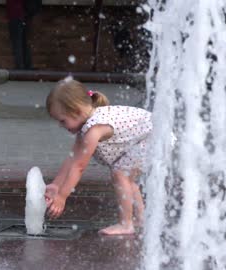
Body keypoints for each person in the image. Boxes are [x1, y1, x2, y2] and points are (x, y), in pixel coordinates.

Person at [45, 79, 151, 235]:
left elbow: (79, 166)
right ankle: (141, 218)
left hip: (153, 137)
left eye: (63, 121)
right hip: (147, 137)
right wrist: (56, 185)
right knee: (126, 179)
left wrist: (62, 196)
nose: (62, 126)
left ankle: (126, 224)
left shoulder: (95, 128)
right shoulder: (87, 124)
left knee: (120, 174)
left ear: (77, 111)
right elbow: (72, 158)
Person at [6, 0, 32, 69]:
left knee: (17, 43)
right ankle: (26, 65)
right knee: (23, 43)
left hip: (15, 15)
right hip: (23, 15)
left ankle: (20, 67)